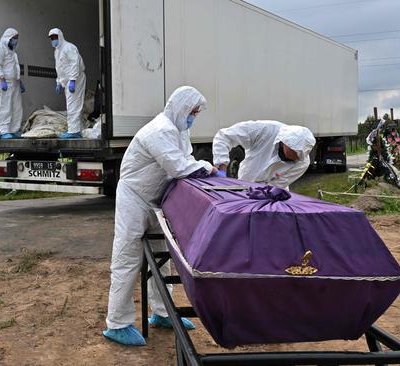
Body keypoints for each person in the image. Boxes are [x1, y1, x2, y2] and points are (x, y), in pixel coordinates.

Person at [104, 86, 216, 346]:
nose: (193, 118)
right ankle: (117, 323)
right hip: (134, 197)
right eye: (192, 112)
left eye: (196, 114)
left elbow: (184, 157)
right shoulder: (159, 130)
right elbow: (178, 166)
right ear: (181, 108)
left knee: (161, 258)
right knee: (127, 258)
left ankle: (163, 312)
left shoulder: (179, 130)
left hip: (156, 199)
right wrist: (207, 168)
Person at [212, 120, 315, 189]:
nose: (294, 159)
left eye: (297, 157)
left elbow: (277, 186)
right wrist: (222, 168)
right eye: (292, 153)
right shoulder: (263, 130)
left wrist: (265, 194)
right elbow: (224, 137)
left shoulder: (302, 163)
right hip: (245, 182)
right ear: (284, 142)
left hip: (272, 193)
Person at [48, 28, 86, 139]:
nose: (53, 40)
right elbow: (59, 68)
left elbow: (75, 63)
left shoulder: (69, 47)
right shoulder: (57, 51)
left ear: (60, 36)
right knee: (73, 104)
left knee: (73, 105)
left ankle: (74, 131)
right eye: (51, 38)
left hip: (75, 79)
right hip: (68, 80)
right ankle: (78, 129)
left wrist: (73, 80)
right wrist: (58, 82)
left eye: (55, 37)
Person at [0, 27, 25, 139]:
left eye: (17, 38)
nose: (16, 40)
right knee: (5, 106)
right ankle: (4, 130)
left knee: (16, 107)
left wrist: (19, 81)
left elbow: (15, 68)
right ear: (8, 37)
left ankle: (14, 130)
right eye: (14, 38)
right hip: (4, 82)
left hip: (14, 83)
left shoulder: (12, 52)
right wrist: (2, 79)